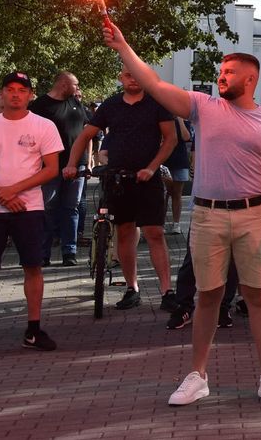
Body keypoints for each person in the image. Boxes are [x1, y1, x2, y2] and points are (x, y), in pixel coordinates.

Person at [100, 19, 261, 406]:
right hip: (206, 215)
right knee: (208, 295)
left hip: (254, 215)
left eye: (230, 72)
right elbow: (155, 85)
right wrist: (123, 46)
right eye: (220, 72)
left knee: (257, 295)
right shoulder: (203, 107)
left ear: (251, 78)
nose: (222, 77)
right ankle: (197, 376)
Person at [65, 70, 177, 311]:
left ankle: (167, 290)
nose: (133, 79)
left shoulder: (156, 103)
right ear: (121, 78)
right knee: (124, 232)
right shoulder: (111, 104)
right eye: (128, 75)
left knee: (154, 232)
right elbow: (86, 135)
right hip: (118, 178)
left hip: (148, 178)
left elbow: (170, 139)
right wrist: (72, 164)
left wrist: (151, 168)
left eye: (137, 74)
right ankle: (131, 288)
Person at [0, 71, 62, 351]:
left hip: (29, 207)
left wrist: (14, 190)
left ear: (30, 95)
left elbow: (52, 169)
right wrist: (2, 194)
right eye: (9, 89)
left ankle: (33, 330)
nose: (15, 94)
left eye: (21, 90)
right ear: (1, 93)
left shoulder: (44, 125)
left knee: (32, 266)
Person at [29, 71, 88, 266]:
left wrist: (86, 161)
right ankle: (43, 253)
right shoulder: (40, 106)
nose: (77, 88)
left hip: (76, 165)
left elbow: (85, 130)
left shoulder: (75, 103)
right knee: (48, 207)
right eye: (75, 84)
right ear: (63, 84)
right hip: (50, 167)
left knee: (72, 208)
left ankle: (69, 252)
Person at [163, 117, 192, 234]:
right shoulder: (162, 119)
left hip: (180, 160)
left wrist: (179, 120)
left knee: (177, 193)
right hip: (164, 160)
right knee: (163, 193)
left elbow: (186, 137)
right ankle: (161, 223)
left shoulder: (183, 121)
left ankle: (176, 223)